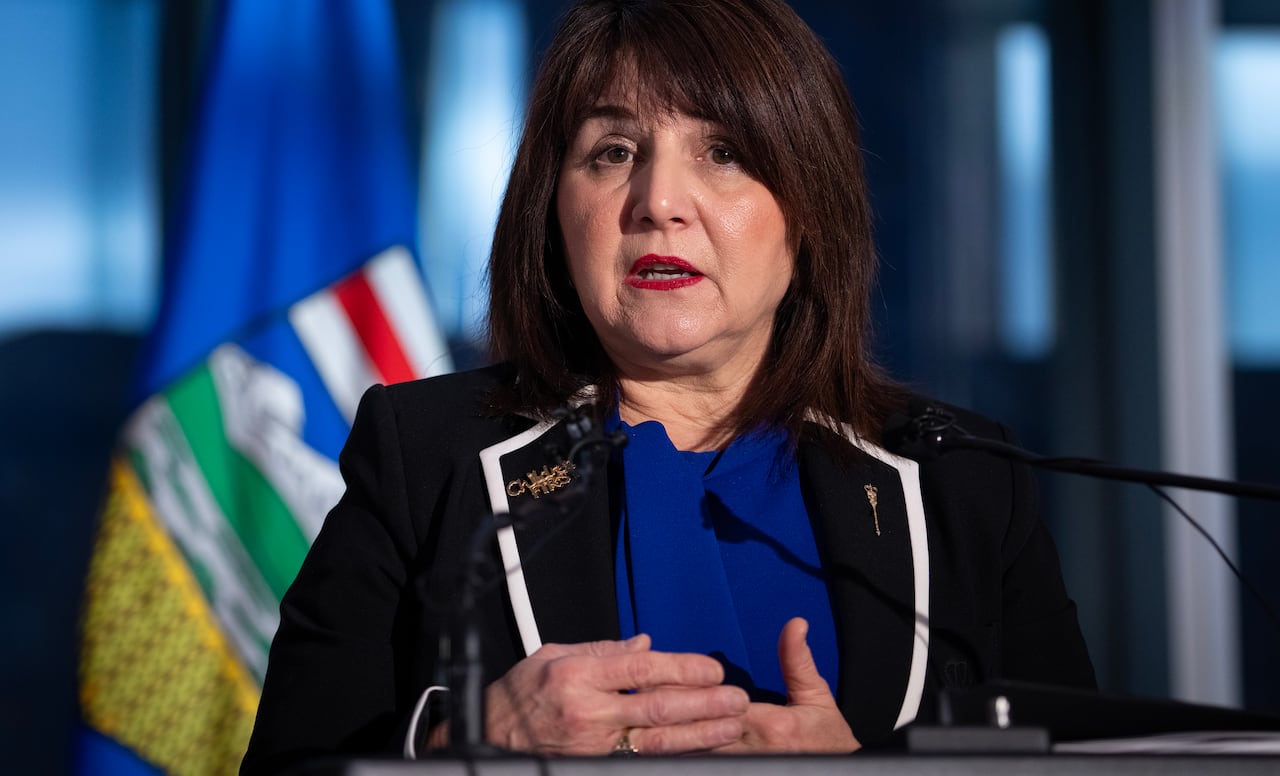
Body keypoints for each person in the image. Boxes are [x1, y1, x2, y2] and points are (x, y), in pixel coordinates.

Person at [241, 0, 1095, 769]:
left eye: (724, 152)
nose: (658, 201)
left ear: (809, 213)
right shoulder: (426, 457)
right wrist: (465, 744)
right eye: (612, 152)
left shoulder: (963, 480)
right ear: (553, 216)